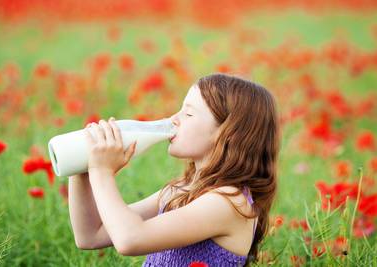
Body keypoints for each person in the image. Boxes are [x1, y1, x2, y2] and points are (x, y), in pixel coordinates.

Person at [68, 73, 280, 267]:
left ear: (228, 134)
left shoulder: (228, 202)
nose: (173, 119)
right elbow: (90, 235)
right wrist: (82, 165)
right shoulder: (181, 189)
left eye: (188, 114)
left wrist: (102, 171)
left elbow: (129, 239)